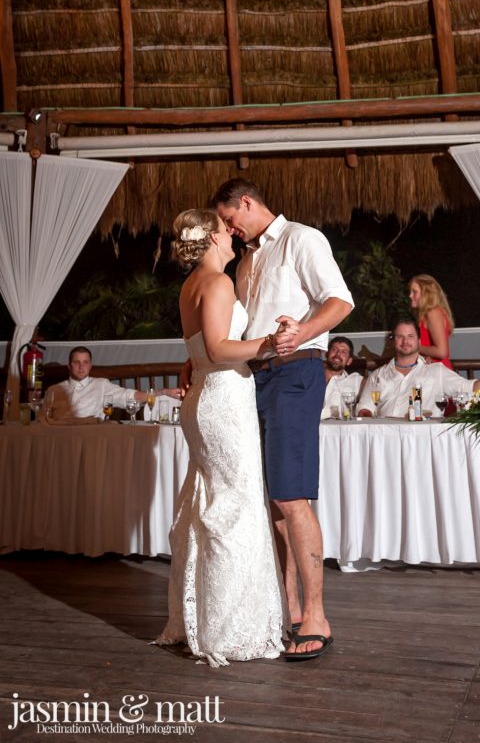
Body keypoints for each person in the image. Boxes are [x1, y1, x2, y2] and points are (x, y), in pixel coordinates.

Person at [214, 178, 354, 661]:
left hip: (295, 372)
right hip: (253, 379)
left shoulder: (301, 238)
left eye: (230, 219)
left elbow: (340, 301)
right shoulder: (246, 259)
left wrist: (304, 331)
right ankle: (287, 609)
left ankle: (317, 615)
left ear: (247, 203)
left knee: (292, 495)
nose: (229, 230)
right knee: (272, 499)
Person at [156, 209, 286, 667]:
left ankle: (202, 617)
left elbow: (198, 351)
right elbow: (217, 349)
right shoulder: (217, 283)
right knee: (235, 508)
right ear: (211, 237)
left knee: (208, 505)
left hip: (205, 403)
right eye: (224, 228)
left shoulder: (191, 285)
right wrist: (271, 343)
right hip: (224, 401)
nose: (232, 233)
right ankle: (229, 630)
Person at [357, 318, 480, 417]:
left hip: (423, 437)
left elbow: (467, 387)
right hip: (385, 437)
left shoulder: (436, 371)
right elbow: (365, 407)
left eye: (410, 336)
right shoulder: (377, 375)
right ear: (393, 341)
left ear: (419, 340)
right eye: (400, 336)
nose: (405, 341)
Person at [39, 346, 180, 425]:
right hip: (59, 439)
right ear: (69, 366)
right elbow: (43, 419)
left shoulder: (101, 385)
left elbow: (131, 396)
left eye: (85, 362)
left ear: (90, 365)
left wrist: (163, 392)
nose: (81, 366)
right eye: (77, 362)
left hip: (91, 438)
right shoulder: (54, 390)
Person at [408, 274, 454, 369]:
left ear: (427, 293)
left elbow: (442, 351)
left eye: (414, 292)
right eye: (410, 291)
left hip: (439, 373)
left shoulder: (433, 313)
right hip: (432, 369)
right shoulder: (428, 314)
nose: (410, 295)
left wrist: (415, 347)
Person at [320, 337, 363, 420]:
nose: (337, 354)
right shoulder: (311, 377)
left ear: (349, 361)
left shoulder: (356, 381)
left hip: (338, 429)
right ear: (327, 354)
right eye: (334, 350)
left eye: (343, 352)